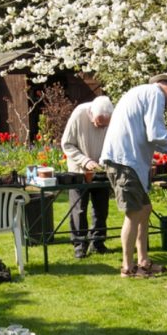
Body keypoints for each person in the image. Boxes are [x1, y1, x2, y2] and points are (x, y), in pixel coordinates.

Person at [100, 73, 167, 278]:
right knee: (134, 213)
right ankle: (128, 268)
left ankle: (143, 261)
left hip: (128, 161)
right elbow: (155, 133)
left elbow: (151, 135)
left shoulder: (143, 92)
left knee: (145, 209)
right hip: (125, 161)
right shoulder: (155, 94)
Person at [61, 96, 114, 258]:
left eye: (104, 124)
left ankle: (97, 242)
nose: (100, 127)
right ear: (91, 114)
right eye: (98, 123)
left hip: (101, 169)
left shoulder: (111, 117)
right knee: (79, 208)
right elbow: (67, 144)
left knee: (101, 208)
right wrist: (85, 161)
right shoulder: (79, 114)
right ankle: (79, 244)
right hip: (79, 170)